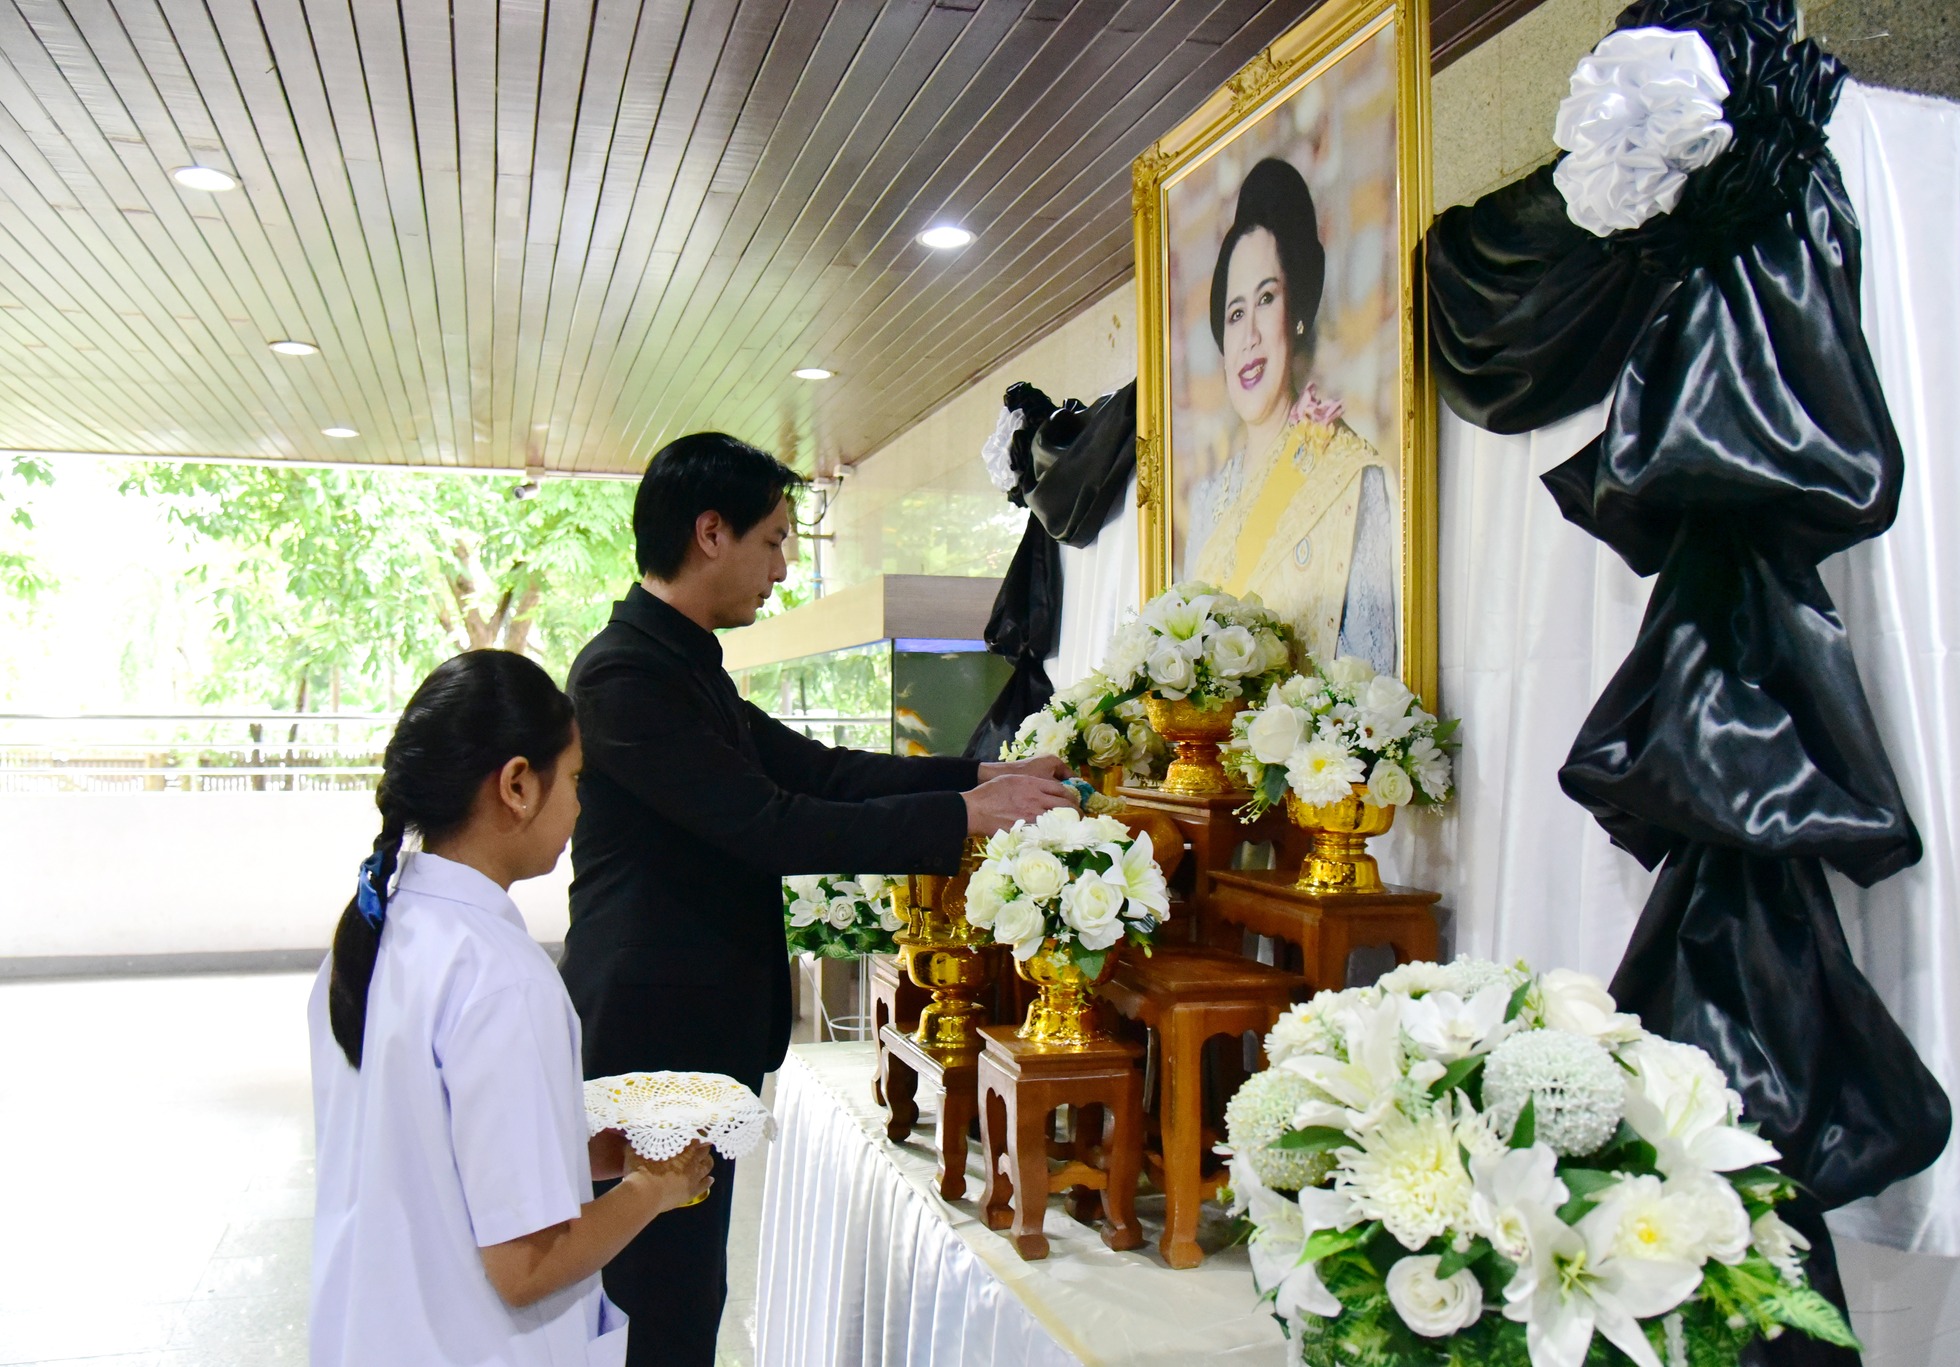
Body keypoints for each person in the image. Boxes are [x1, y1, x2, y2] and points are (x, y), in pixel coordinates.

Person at [559, 431, 1074, 1365]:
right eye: (773, 540)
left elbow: (823, 771)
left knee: (688, 1282)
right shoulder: (625, 674)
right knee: (658, 1293)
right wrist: (963, 814)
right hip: (654, 1029)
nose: (782, 566)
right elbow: (770, 823)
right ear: (709, 533)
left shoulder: (682, 661)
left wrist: (983, 775)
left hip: (692, 1023)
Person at [308, 650, 714, 1367]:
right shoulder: (502, 978)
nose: (579, 806)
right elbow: (526, 1263)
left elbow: (426, 1156)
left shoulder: (372, 935)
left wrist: (584, 1155)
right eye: (576, 779)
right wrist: (657, 1188)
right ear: (518, 785)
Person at [1185, 155, 1400, 668]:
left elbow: (1371, 674)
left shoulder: (1347, 476)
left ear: (1296, 315)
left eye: (1266, 299)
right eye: (1236, 313)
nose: (1250, 335)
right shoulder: (1209, 501)